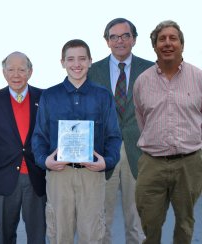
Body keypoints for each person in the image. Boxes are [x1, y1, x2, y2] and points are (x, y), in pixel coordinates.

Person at [32, 39, 121, 244]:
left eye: (82, 58)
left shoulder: (103, 95)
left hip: (92, 174)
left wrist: (106, 162)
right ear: (62, 62)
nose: (77, 64)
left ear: (90, 61)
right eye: (70, 59)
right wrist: (45, 161)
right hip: (59, 174)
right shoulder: (49, 96)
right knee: (59, 234)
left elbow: (114, 136)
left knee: (92, 235)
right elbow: (39, 136)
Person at [133, 20, 202, 244]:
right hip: (152, 163)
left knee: (185, 222)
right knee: (149, 224)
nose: (167, 43)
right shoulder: (142, 81)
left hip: (189, 162)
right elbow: (142, 119)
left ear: (182, 44)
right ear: (154, 46)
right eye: (162, 39)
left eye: (173, 38)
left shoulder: (198, 77)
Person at [87, 18, 154, 244]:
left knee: (137, 221)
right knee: (100, 218)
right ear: (107, 41)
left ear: (134, 39)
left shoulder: (151, 69)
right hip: (104, 153)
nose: (120, 41)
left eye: (125, 36)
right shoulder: (92, 71)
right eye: (114, 37)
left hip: (140, 153)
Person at [0, 52, 46, 244]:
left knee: (38, 235)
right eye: (10, 69)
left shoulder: (44, 98)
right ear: (3, 72)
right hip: (2, 178)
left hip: (36, 178)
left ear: (30, 72)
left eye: (21, 69)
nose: (16, 74)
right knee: (5, 235)